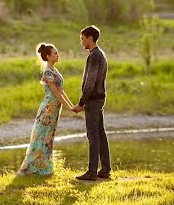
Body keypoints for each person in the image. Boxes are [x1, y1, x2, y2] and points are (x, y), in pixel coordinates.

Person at [17, 43, 78, 176]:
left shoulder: (55, 71)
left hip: (55, 108)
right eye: (55, 53)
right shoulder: (47, 72)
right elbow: (56, 93)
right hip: (49, 108)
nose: (57, 55)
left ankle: (44, 166)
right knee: (42, 136)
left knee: (49, 137)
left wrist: (72, 106)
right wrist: (69, 107)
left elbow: (62, 91)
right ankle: (34, 168)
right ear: (49, 56)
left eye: (57, 52)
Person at [72, 25, 111, 182]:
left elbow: (90, 82)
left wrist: (82, 102)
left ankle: (92, 172)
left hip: (93, 100)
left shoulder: (95, 56)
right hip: (98, 99)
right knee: (100, 134)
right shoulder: (99, 54)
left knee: (93, 135)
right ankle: (106, 169)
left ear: (90, 38)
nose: (81, 42)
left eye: (82, 39)